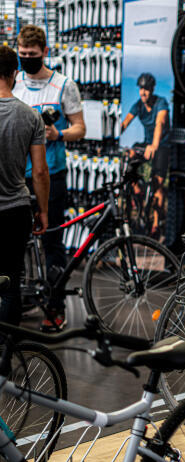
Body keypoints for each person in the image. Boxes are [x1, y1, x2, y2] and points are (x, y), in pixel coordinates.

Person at [14, 24, 86, 331]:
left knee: (52, 243)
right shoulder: (13, 82)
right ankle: (15, 304)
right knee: (15, 244)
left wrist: (58, 134)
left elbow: (81, 128)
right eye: (22, 54)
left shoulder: (63, 85)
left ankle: (55, 309)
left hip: (52, 174)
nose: (26, 59)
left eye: (31, 54)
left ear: (45, 52)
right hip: (17, 174)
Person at [0, 45, 50, 325]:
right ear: (15, 74)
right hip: (15, 210)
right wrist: (42, 210)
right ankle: (7, 358)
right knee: (10, 285)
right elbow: (40, 172)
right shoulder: (31, 116)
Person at [121, 73, 170, 237]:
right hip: (147, 143)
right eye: (141, 89)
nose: (143, 92)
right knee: (130, 154)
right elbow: (125, 123)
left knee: (158, 184)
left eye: (147, 89)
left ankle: (156, 225)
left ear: (152, 89)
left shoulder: (161, 102)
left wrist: (154, 145)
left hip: (161, 145)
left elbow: (159, 123)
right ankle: (139, 192)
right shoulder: (138, 105)